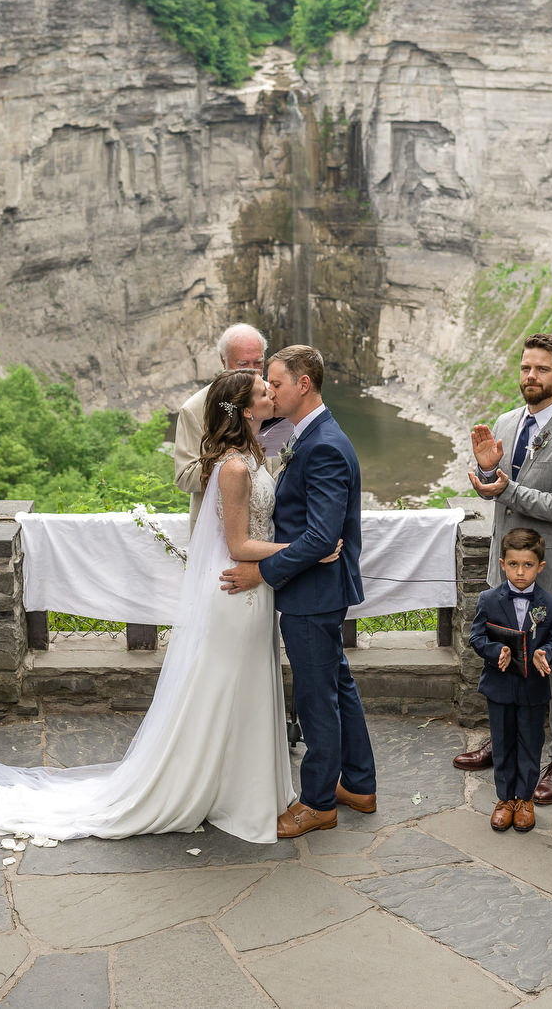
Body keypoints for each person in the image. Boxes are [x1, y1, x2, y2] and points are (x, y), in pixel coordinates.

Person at [0, 367, 312, 842]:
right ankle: (228, 795)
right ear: (247, 410)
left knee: (245, 690)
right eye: (261, 391)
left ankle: (244, 789)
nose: (272, 394)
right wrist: (307, 550)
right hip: (237, 592)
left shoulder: (253, 455)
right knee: (230, 691)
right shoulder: (233, 467)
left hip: (255, 590)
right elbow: (236, 544)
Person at [222, 345, 378, 839]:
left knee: (317, 701)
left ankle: (317, 804)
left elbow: (320, 536)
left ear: (303, 385)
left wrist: (262, 574)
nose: (270, 391)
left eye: (277, 383)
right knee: (338, 689)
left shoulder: (324, 445)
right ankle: (358, 784)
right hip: (318, 590)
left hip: (313, 593)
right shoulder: (304, 437)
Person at [453, 333, 552, 806]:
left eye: (541, 369)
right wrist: (488, 476)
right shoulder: (507, 421)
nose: (530, 377)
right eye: (525, 368)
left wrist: (506, 487)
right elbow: (497, 491)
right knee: (507, 658)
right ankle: (506, 739)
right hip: (506, 571)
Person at [470, 529, 552, 833]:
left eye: (527, 565)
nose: (520, 572)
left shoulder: (551, 604)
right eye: (513, 565)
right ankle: (504, 798)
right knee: (502, 743)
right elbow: (477, 636)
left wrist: (544, 655)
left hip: (532, 689)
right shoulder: (489, 599)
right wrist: (495, 650)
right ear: (502, 563)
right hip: (499, 687)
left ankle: (524, 799)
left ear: (541, 566)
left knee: (530, 742)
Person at [172, 323, 268, 528]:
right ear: (223, 361)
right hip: (217, 524)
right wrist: (233, 460)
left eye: (258, 363)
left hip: (270, 520)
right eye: (243, 364)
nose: (253, 371)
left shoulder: (274, 399)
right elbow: (184, 477)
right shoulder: (195, 409)